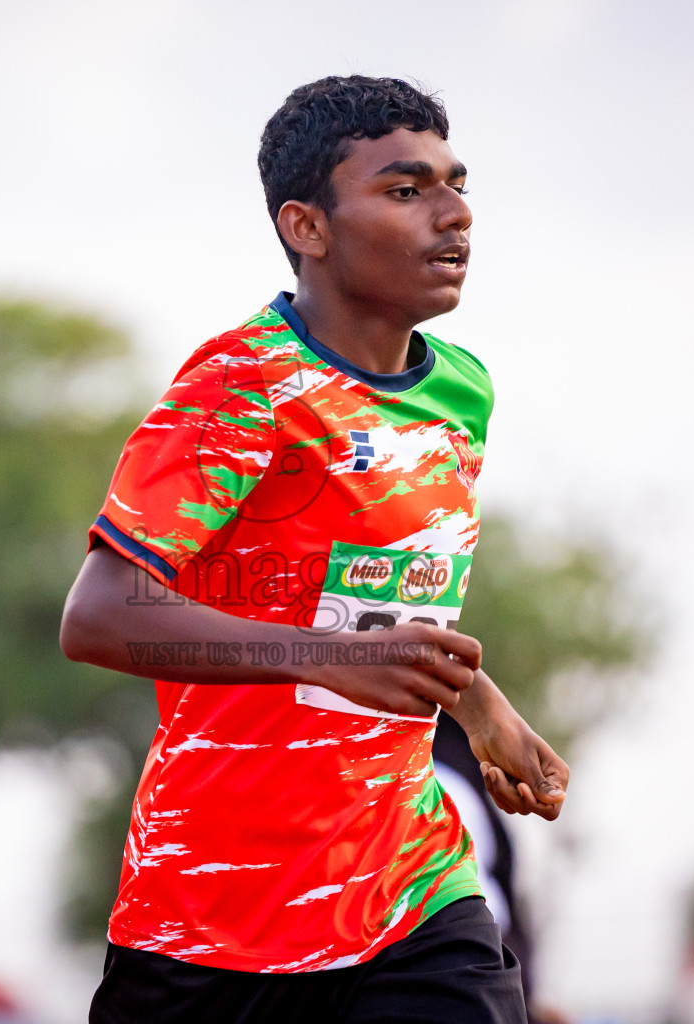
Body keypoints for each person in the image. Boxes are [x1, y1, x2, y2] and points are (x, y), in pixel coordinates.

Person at [60, 76, 569, 1024]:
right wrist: (331, 661)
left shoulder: (462, 390)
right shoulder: (241, 385)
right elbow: (96, 615)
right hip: (213, 919)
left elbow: (372, 600)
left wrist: (478, 705)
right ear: (308, 227)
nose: (454, 215)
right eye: (406, 191)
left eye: (458, 186)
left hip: (410, 889)